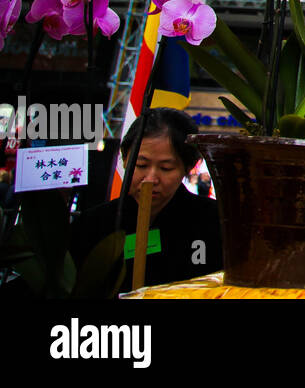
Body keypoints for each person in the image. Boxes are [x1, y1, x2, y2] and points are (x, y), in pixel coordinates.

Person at [69, 108, 223, 293]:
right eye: (141, 165)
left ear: (189, 166)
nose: (150, 179)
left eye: (166, 168)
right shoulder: (93, 225)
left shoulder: (215, 221)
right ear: (125, 158)